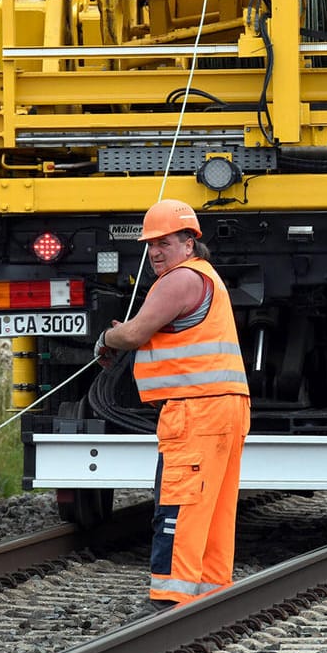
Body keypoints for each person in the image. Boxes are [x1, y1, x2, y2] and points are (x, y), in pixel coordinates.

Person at [95, 198, 251, 610]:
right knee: (213, 509)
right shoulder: (208, 279)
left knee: (181, 504)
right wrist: (130, 331)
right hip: (226, 407)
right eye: (149, 245)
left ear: (189, 241)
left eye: (164, 242)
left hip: (196, 411)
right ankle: (210, 595)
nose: (155, 252)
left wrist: (108, 338)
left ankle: (170, 600)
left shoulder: (178, 280)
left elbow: (133, 335)